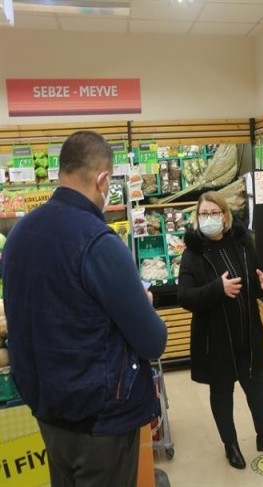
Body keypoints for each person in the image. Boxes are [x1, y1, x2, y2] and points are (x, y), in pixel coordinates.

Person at [3, 130, 168, 487]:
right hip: (100, 419)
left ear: (62, 172)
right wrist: (146, 304)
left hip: (48, 408)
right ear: (103, 179)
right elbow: (153, 341)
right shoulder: (98, 241)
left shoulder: (19, 234)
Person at [177, 191, 263, 469]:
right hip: (216, 340)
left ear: (225, 217)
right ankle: (231, 445)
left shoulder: (241, 244)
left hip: (247, 333)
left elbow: (255, 274)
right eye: (203, 214)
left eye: (214, 213)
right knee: (222, 392)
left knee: (256, 386)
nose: (209, 219)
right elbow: (185, 296)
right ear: (197, 218)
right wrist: (218, 288)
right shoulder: (193, 255)